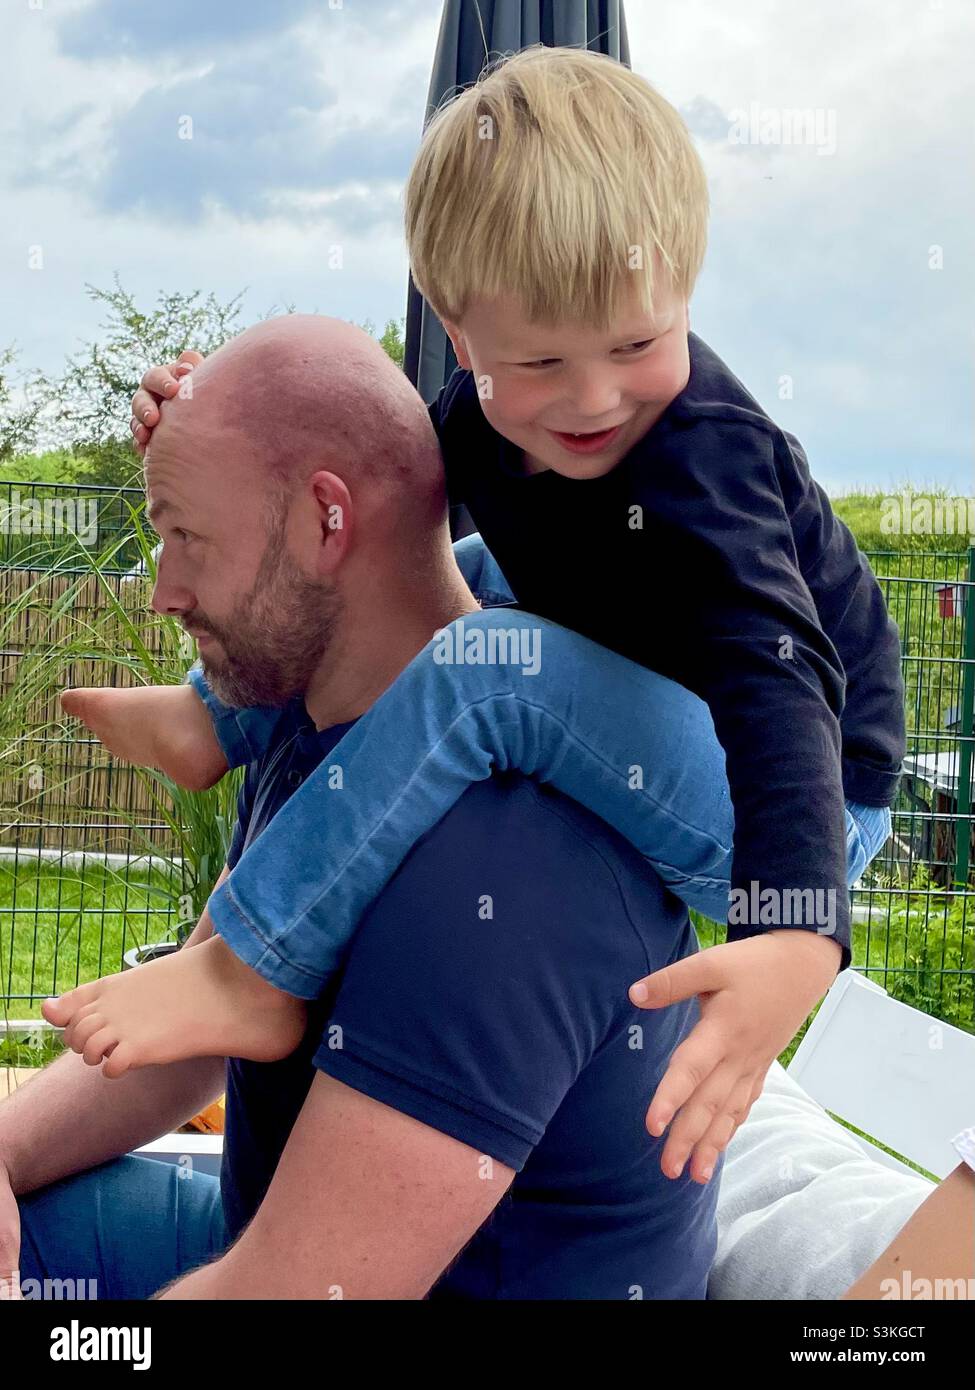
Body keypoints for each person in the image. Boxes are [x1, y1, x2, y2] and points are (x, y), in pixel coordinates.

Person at [46, 45, 904, 1192]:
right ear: (463, 338)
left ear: (685, 296)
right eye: (541, 359)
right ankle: (218, 722)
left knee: (493, 660)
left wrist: (794, 930)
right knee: (460, 563)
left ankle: (255, 967)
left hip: (795, 797)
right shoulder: (482, 422)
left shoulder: (711, 458)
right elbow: (357, 516)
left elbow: (779, 674)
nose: (595, 399)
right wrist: (209, 431)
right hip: (646, 671)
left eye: (642, 343)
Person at [3, 316, 731, 1299]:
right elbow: (205, 1025)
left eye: (187, 538)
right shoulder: (324, 720)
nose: (163, 592)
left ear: (325, 522)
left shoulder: (510, 855)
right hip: (258, 1223)